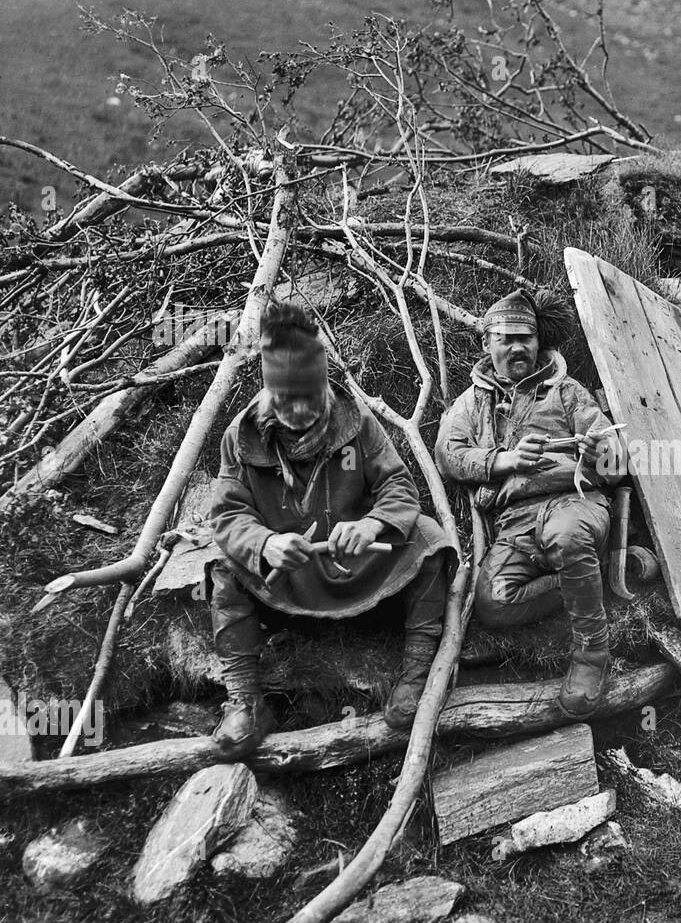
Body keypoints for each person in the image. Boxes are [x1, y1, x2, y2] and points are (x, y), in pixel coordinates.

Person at [208, 300, 455, 759]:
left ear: (324, 386)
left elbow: (399, 486)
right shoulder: (239, 440)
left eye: (310, 397)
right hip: (292, 577)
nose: (300, 411)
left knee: (429, 539)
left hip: (358, 565)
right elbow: (226, 516)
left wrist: (371, 524)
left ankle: (416, 674)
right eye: (286, 400)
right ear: (268, 392)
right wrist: (265, 543)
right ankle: (245, 700)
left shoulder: (357, 421)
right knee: (224, 567)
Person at [435, 289, 623, 718]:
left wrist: (598, 452)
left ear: (539, 343)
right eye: (506, 339)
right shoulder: (472, 403)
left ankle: (592, 652)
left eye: (527, 338)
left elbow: (616, 462)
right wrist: (505, 460)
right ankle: (592, 573)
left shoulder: (568, 392)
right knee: (494, 603)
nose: (518, 347)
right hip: (515, 522)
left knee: (567, 534)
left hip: (574, 500)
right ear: (487, 344)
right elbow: (449, 452)